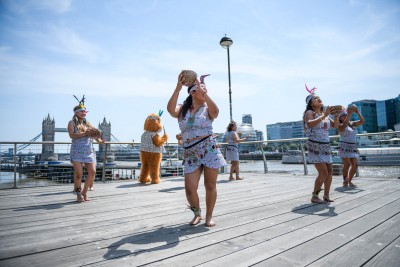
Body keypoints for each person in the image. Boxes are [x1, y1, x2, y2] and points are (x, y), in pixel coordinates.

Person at [167, 71, 226, 227]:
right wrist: (178, 88)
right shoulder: (183, 109)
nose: (202, 91)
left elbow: (216, 113)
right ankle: (197, 213)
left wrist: (205, 94)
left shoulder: (207, 108)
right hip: (190, 151)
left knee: (210, 185)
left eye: (204, 89)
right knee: (190, 188)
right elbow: (170, 109)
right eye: (199, 89)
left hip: (209, 148)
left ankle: (209, 217)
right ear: (192, 92)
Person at [303, 85, 339, 204]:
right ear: (311, 104)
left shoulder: (325, 113)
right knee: (323, 172)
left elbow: (335, 126)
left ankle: (326, 195)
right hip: (315, 146)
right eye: (315, 98)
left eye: (319, 97)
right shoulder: (310, 112)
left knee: (329, 171)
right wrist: (325, 115)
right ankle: (314, 196)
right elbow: (309, 124)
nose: (319, 99)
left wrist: (337, 115)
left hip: (325, 145)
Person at [68, 95, 104, 202]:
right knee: (79, 175)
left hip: (88, 151)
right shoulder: (71, 123)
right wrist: (85, 133)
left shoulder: (87, 124)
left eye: (85, 112)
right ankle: (79, 194)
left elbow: (94, 134)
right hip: (77, 151)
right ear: (76, 113)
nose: (84, 113)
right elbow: (72, 135)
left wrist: (99, 140)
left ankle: (84, 192)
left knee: (92, 172)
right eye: (81, 111)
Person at [338, 106, 365, 187]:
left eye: (346, 115)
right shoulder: (340, 125)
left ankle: (349, 180)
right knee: (347, 164)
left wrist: (357, 112)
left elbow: (362, 121)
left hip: (353, 146)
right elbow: (344, 126)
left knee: (355, 164)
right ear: (340, 118)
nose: (345, 116)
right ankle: (345, 180)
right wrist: (349, 114)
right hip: (344, 146)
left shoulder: (352, 124)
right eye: (343, 115)